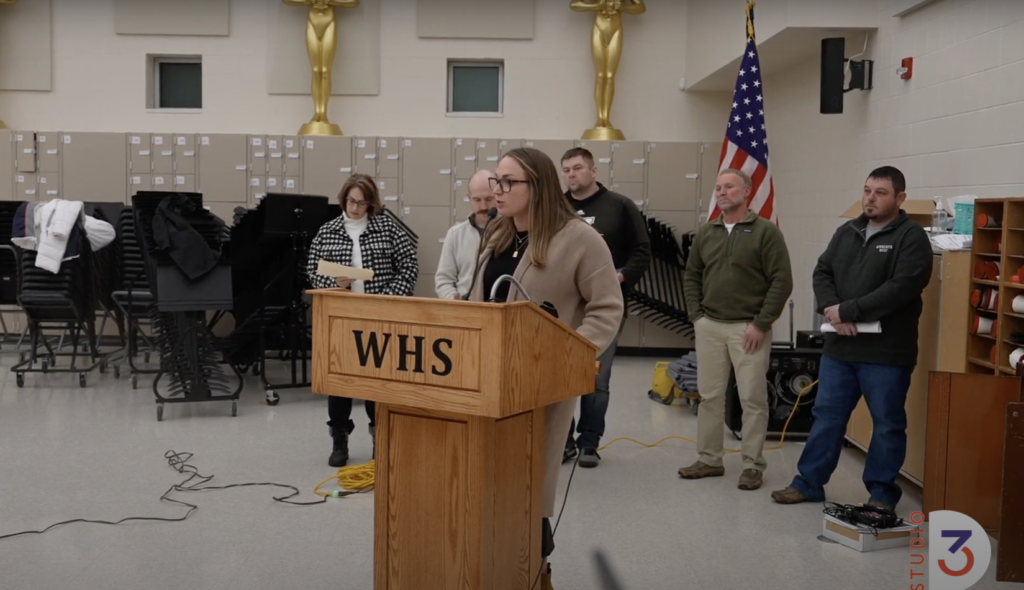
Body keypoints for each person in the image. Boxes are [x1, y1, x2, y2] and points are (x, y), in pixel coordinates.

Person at [468, 147, 623, 588]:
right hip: (487, 382)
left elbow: (607, 308)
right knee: (492, 489)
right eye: (496, 181)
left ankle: (536, 573)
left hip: (540, 386)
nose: (496, 191)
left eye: (507, 182)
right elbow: (480, 301)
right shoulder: (498, 233)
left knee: (529, 494)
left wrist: (568, 354)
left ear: (536, 186)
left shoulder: (579, 238)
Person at [771, 166, 933, 510]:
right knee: (827, 416)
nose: (870, 198)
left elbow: (901, 288)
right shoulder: (848, 231)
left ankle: (881, 495)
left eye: (881, 192)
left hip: (886, 352)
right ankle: (809, 482)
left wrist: (850, 311)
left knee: (887, 424)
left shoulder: (911, 237)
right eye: (867, 190)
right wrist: (832, 308)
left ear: (900, 198)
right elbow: (822, 271)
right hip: (840, 349)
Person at [679, 168, 793, 491]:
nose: (722, 192)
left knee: (752, 398)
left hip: (748, 329)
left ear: (747, 191)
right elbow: (691, 275)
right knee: (710, 397)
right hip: (709, 326)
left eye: (729, 186)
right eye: (718, 187)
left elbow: (781, 281)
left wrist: (760, 324)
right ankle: (710, 459)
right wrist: (696, 316)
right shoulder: (707, 232)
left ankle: (752, 465)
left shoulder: (765, 232)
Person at [306, 173, 418, 467]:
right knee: (340, 381)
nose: (355, 208)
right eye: (351, 201)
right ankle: (339, 440)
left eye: (362, 203)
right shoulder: (328, 230)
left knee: (375, 382)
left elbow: (409, 265)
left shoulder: (386, 227)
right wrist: (334, 281)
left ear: (372, 204)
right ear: (343, 199)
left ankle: (379, 437)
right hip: (341, 317)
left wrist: (390, 297)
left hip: (378, 315)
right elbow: (313, 271)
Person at [560, 147, 650, 468]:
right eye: (567, 169)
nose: (572, 174)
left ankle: (588, 443)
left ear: (594, 171)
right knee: (561, 377)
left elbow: (641, 251)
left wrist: (621, 275)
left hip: (604, 307)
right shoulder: (556, 208)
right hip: (564, 309)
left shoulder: (620, 207)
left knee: (596, 378)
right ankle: (562, 442)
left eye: (578, 168)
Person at [435, 169, 497, 299]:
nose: (483, 206)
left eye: (489, 199)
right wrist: (454, 301)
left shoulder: (512, 232)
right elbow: (443, 280)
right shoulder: (455, 234)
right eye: (477, 200)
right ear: (469, 198)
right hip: (464, 310)